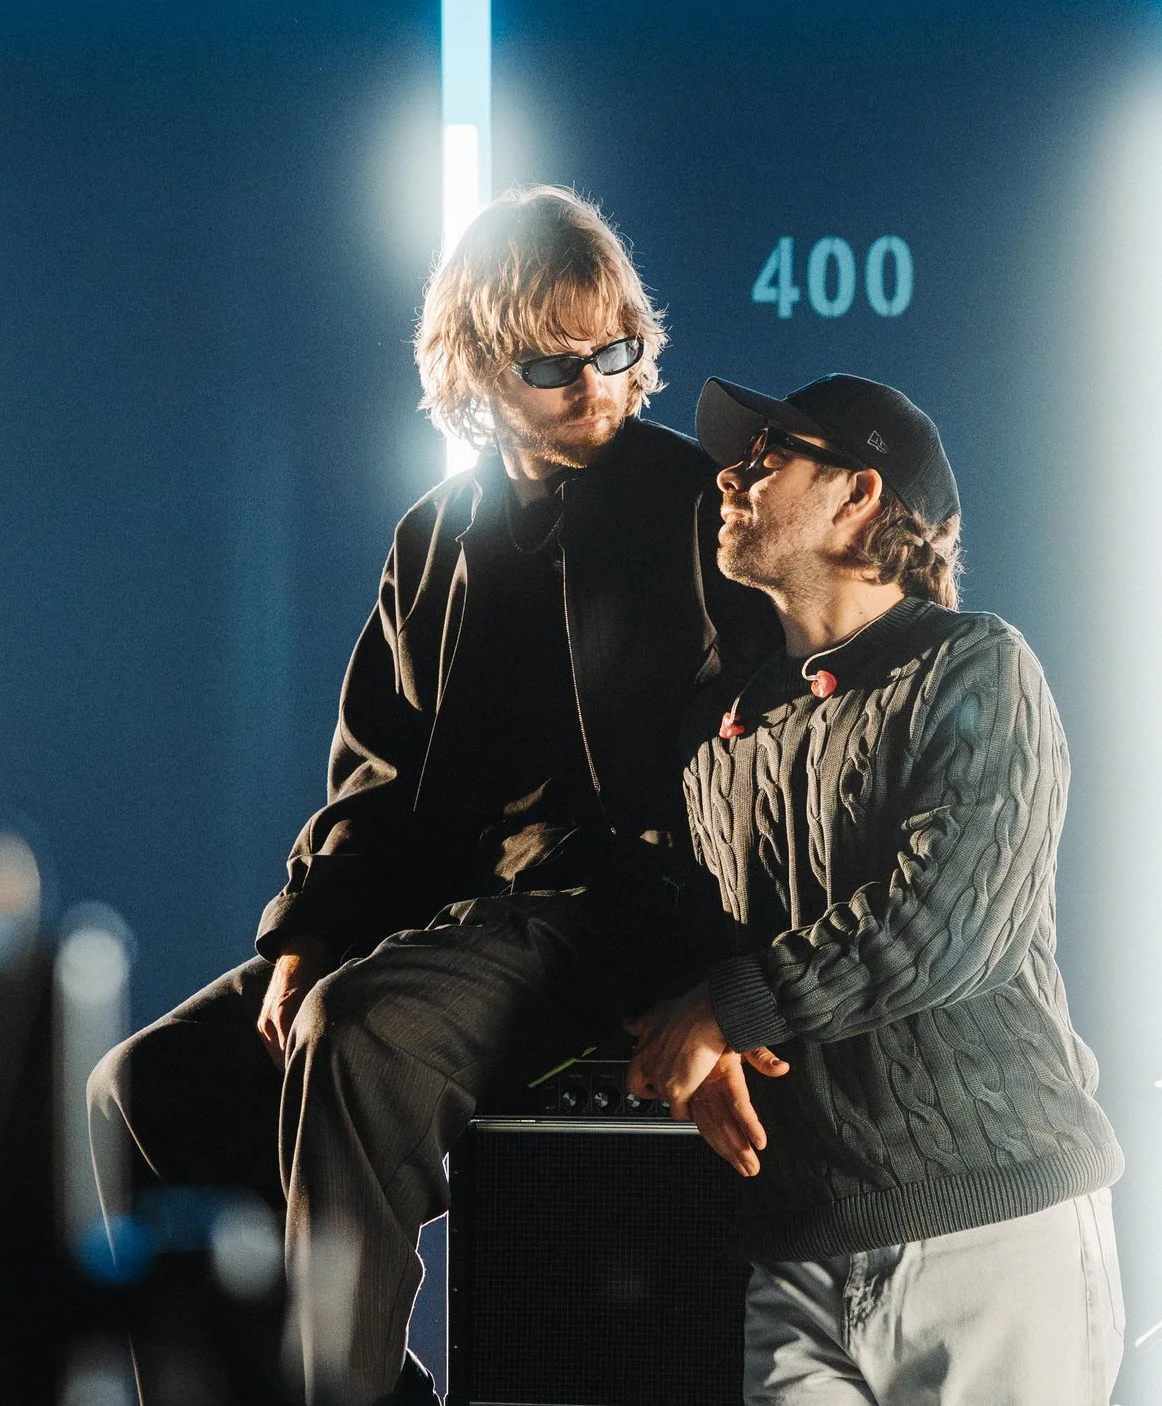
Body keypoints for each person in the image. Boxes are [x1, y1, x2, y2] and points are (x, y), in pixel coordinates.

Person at [88, 186, 768, 1406]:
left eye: (616, 352)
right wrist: (304, 932)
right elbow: (379, 775)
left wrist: (715, 979)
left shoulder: (695, 501)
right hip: (447, 916)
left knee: (361, 1032)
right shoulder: (434, 535)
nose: (599, 388)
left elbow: (759, 759)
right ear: (476, 371)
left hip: (608, 916)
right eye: (556, 366)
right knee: (140, 1086)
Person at [625, 374, 1126, 1405]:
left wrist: (728, 1006)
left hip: (990, 1237)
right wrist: (699, 1035)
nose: (734, 474)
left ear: (858, 493)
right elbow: (695, 937)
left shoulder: (975, 667)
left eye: (770, 456)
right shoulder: (715, 734)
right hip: (794, 1249)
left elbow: (943, 926)